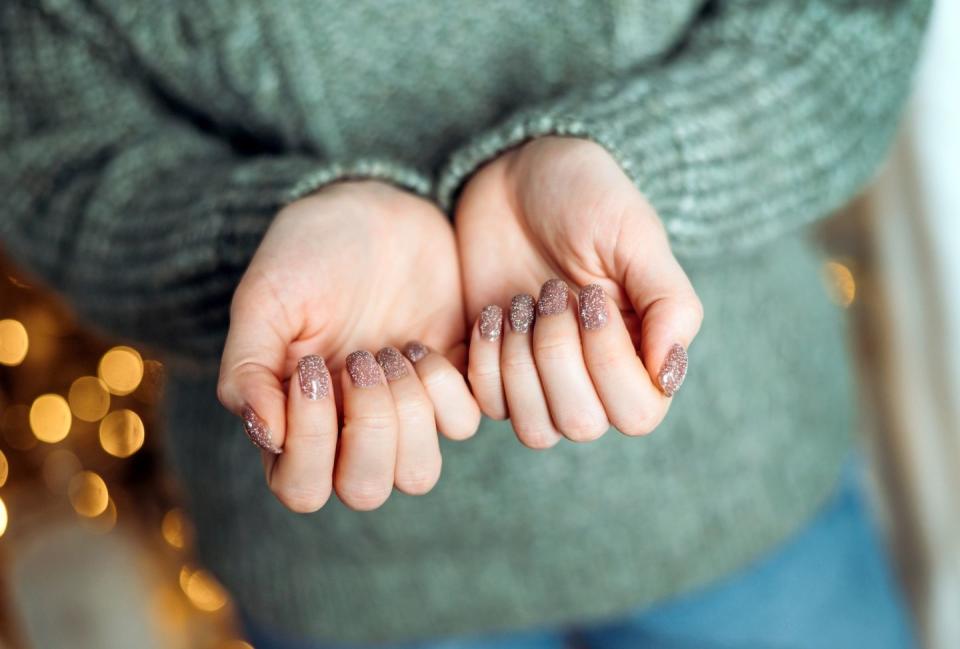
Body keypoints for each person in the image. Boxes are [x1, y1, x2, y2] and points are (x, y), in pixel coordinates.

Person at [0, 1, 930, 647]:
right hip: (351, 573)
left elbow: (846, 22)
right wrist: (261, 237)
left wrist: (637, 160)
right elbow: (45, 153)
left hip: (745, 497)